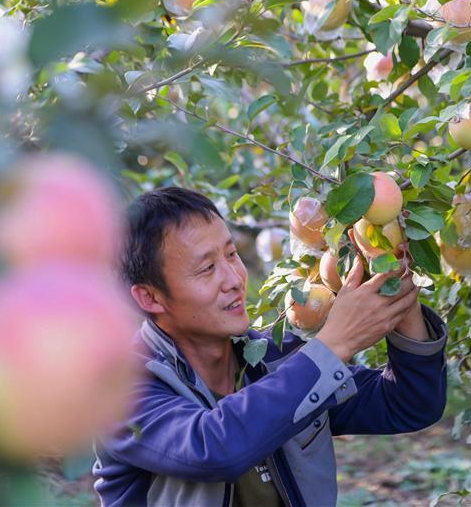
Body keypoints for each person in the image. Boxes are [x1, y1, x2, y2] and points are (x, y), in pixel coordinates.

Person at [93, 187, 448, 507]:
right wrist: (333, 344)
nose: (234, 279)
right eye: (207, 268)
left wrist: (398, 292)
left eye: (232, 255)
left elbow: (409, 404)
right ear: (150, 297)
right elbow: (213, 447)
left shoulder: (273, 360)